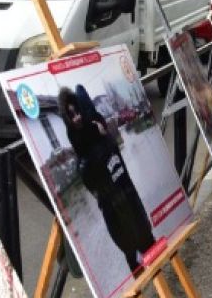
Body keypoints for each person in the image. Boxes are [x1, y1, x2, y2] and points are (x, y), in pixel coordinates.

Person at [59, 85, 157, 270]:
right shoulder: (84, 157)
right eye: (71, 116)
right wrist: (99, 133)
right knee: (133, 256)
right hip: (116, 211)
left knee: (148, 246)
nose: (77, 118)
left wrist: (100, 133)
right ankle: (134, 292)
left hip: (129, 200)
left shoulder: (99, 134)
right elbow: (95, 187)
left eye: (77, 112)